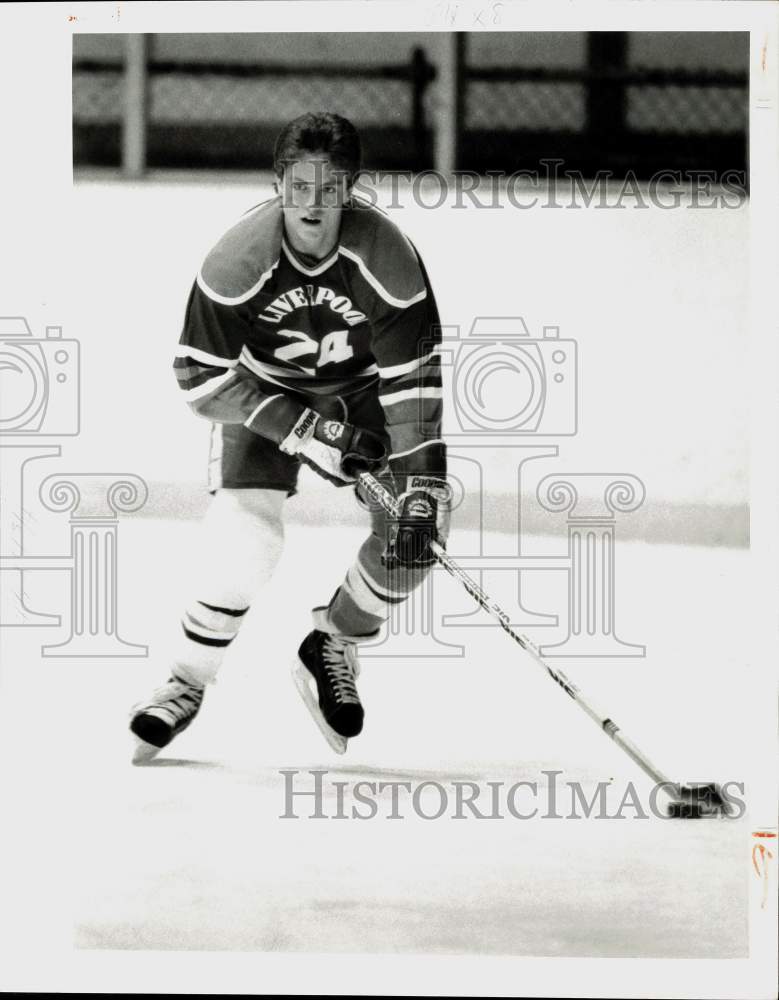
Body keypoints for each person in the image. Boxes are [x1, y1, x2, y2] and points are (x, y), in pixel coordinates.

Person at [130, 111, 448, 761]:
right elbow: (198, 378)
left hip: (362, 392)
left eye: (329, 188)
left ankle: (332, 641)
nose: (312, 204)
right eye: (299, 186)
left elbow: (413, 382)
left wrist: (421, 488)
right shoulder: (238, 260)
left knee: (416, 539)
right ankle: (185, 681)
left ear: (350, 189)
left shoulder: (386, 258)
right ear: (278, 185)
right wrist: (303, 428)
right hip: (264, 394)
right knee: (247, 541)